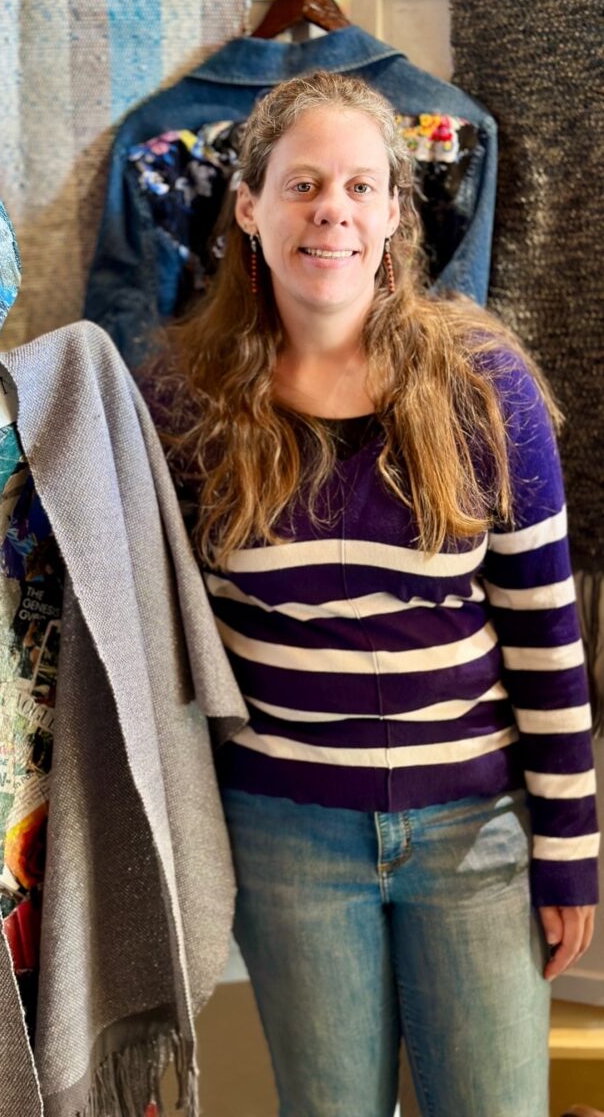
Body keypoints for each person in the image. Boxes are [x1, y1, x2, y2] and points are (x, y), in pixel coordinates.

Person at [138, 71, 598, 1117]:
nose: (331, 211)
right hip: (287, 834)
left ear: (394, 211)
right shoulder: (182, 400)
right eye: (303, 186)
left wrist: (569, 851)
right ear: (249, 208)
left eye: (358, 185)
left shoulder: (484, 386)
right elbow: (165, 647)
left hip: (474, 833)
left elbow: (544, 633)